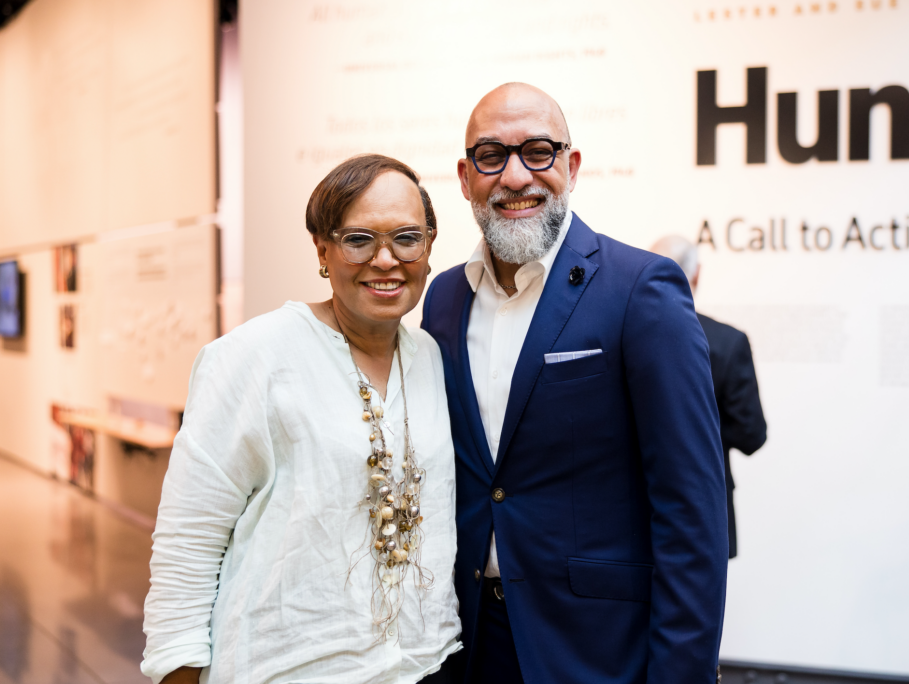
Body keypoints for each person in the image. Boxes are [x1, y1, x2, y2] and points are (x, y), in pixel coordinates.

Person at [421, 83, 728, 683]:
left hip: (597, 651)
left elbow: (691, 512)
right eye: (491, 156)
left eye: (538, 151)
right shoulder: (444, 298)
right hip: (470, 645)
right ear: (464, 177)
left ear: (571, 165)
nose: (515, 176)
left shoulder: (642, 291)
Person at [141, 155, 461, 684]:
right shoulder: (253, 357)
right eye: (359, 239)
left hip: (427, 665)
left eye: (407, 237)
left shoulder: (431, 357)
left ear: (428, 247)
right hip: (290, 669)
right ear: (323, 250)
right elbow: (188, 541)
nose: (386, 260)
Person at [650, 235, 767, 559]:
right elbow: (752, 436)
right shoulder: (728, 342)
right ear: (696, 275)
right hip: (705, 510)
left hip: (634, 515)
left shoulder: (618, 336)